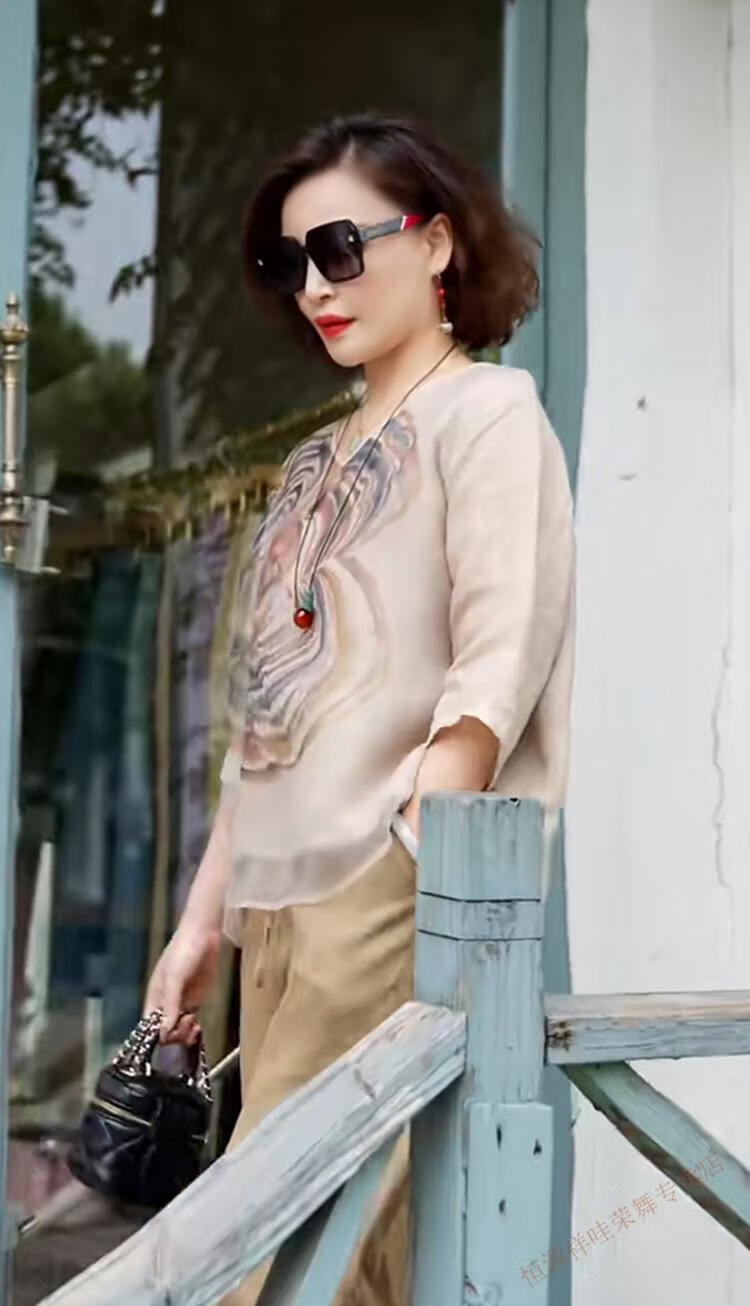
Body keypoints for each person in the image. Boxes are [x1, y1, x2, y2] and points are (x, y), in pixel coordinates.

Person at [145, 111, 576, 1305]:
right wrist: (201, 921)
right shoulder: (311, 465)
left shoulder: (490, 414)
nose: (316, 287)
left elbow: (498, 661)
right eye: (291, 262)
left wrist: (409, 856)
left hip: (386, 890)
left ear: (435, 244)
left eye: (341, 248)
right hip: (277, 910)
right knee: (358, 1261)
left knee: (263, 1248)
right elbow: (262, 720)